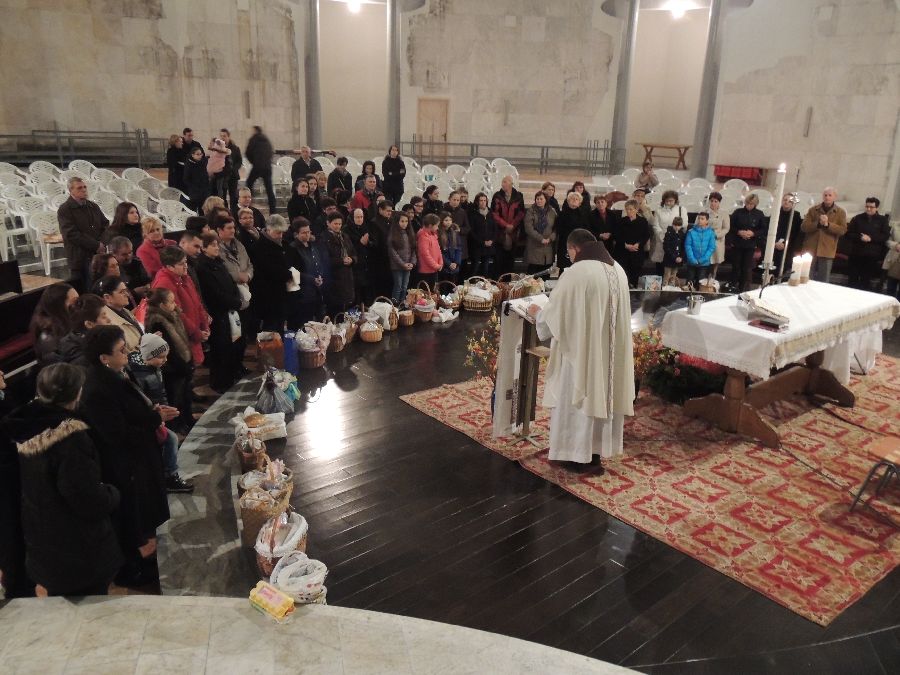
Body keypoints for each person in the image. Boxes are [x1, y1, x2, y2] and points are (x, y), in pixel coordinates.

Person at [4, 363, 123, 596]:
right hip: (78, 548)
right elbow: (85, 497)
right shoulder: (70, 440)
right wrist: (111, 494)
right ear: (77, 392)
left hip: (43, 540)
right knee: (92, 606)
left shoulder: (27, 425)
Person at [527, 229, 634, 471]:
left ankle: (576, 454)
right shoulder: (619, 270)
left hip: (582, 354)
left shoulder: (576, 273)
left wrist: (538, 314)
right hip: (608, 356)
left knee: (579, 398)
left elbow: (557, 315)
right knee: (603, 394)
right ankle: (596, 452)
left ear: (574, 249)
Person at [79, 325, 177, 586]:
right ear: (104, 358)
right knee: (130, 517)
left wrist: (153, 411)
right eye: (121, 350)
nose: (128, 352)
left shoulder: (117, 372)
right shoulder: (97, 388)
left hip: (140, 458)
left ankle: (141, 561)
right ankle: (130, 572)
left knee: (143, 513)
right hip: (125, 465)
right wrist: (155, 418)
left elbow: (133, 408)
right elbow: (116, 434)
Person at [129, 334, 194, 494]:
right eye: (161, 357)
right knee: (170, 439)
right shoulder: (138, 375)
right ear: (148, 356)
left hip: (159, 412)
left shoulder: (153, 368)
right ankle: (170, 476)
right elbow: (142, 400)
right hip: (151, 416)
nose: (165, 360)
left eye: (166, 356)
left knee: (168, 441)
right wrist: (156, 412)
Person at [196, 233, 244, 393]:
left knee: (232, 345)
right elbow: (213, 293)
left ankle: (231, 376)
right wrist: (233, 302)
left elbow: (230, 283)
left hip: (229, 310)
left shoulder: (219, 262)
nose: (217, 248)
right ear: (203, 248)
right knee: (220, 349)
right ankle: (220, 382)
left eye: (217, 245)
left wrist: (236, 298)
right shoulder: (203, 268)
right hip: (217, 313)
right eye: (213, 245)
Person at [144, 289, 194, 435]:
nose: (175, 304)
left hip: (182, 363)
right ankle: (178, 425)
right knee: (175, 398)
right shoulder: (157, 321)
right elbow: (168, 348)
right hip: (172, 368)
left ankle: (188, 419)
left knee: (185, 394)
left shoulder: (172, 315)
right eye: (171, 302)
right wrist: (182, 366)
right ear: (162, 305)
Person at [151, 247, 209, 365]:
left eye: (186, 262)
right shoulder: (164, 283)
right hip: (181, 339)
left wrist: (205, 325)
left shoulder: (184, 277)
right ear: (169, 266)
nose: (186, 266)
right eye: (181, 264)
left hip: (193, 334)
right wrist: (197, 333)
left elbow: (197, 303)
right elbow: (177, 314)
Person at [57, 177, 109, 292]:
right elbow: (71, 234)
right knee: (84, 291)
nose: (84, 190)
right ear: (71, 190)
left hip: (97, 256)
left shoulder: (93, 206)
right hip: (79, 258)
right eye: (79, 188)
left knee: (99, 289)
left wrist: (102, 243)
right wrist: (96, 245)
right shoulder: (65, 209)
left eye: (85, 187)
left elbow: (105, 225)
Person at [249, 214, 292, 332]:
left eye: (282, 233)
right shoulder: (259, 248)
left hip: (280, 294)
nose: (280, 236)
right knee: (270, 331)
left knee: (279, 328)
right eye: (278, 233)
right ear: (268, 230)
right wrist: (289, 274)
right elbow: (271, 270)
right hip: (268, 296)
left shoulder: (281, 244)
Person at [800, 187, 847, 283]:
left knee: (823, 279)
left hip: (827, 249)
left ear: (835, 197)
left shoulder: (840, 212)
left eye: (830, 195)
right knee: (806, 276)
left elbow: (842, 230)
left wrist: (828, 225)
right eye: (825, 195)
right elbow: (804, 227)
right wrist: (818, 224)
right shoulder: (813, 210)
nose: (827, 197)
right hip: (810, 248)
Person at [285, 218, 325, 328]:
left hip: (316, 291)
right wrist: (311, 279)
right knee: (304, 324)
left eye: (308, 232)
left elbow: (319, 262)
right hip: (301, 294)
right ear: (296, 234)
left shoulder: (312, 245)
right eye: (304, 233)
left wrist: (320, 276)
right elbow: (292, 271)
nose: (307, 235)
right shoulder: (292, 248)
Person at [845, 197, 889, 291]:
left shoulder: (883, 220)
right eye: (867, 206)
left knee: (865, 280)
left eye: (871, 207)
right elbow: (849, 233)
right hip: (856, 253)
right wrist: (860, 237)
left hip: (872, 255)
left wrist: (871, 238)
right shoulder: (858, 218)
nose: (868, 209)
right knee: (852, 279)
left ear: (877, 208)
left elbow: (885, 236)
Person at [30, 283, 78, 367]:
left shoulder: (69, 323)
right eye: (75, 301)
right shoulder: (49, 339)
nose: (79, 305)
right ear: (60, 306)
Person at [54, 294, 110, 366]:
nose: (109, 320)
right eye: (103, 317)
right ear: (89, 324)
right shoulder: (84, 359)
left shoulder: (91, 339)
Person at [728, 193, 766, 292]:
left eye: (751, 204)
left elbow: (763, 229)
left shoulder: (759, 214)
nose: (749, 205)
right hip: (737, 243)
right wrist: (739, 232)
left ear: (755, 204)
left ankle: (742, 288)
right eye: (748, 203)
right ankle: (732, 285)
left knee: (746, 268)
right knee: (736, 266)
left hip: (750, 245)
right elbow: (730, 226)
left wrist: (753, 233)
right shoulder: (738, 212)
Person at [96, 276, 143, 354]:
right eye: (122, 292)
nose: (127, 294)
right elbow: (123, 354)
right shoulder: (108, 323)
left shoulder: (124, 311)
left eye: (126, 291)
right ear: (107, 297)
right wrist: (146, 344)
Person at [322, 212, 357, 315]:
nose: (338, 226)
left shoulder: (345, 236)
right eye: (335, 224)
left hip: (347, 276)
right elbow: (325, 260)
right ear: (328, 223)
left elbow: (353, 252)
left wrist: (352, 259)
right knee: (335, 310)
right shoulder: (324, 238)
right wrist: (341, 261)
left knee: (346, 309)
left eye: (340, 224)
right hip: (333, 278)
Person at [491, 176, 526, 276]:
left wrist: (512, 225)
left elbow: (521, 213)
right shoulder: (497, 196)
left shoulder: (518, 196)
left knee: (510, 260)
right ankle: (497, 281)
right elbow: (494, 214)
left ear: (511, 183)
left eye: (505, 182)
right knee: (498, 260)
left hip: (513, 233)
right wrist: (505, 225)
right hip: (500, 232)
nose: (502, 184)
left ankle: (508, 281)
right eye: (502, 182)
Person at [614, 199, 651, 287]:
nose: (628, 211)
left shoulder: (643, 221)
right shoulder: (621, 221)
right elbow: (616, 235)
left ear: (636, 210)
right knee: (623, 273)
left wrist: (638, 244)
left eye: (630, 209)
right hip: (622, 251)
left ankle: (634, 288)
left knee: (635, 274)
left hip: (637, 251)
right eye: (627, 209)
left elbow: (646, 235)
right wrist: (625, 245)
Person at [651, 190, 687, 276]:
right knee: (660, 265)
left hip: (675, 241)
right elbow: (656, 225)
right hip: (661, 239)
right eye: (667, 201)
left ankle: (670, 283)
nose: (668, 203)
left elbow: (684, 224)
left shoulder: (681, 209)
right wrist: (663, 237)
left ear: (675, 200)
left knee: (672, 267)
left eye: (671, 201)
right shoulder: (659, 210)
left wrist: (674, 235)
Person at [345, 207, 374, 307]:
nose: (360, 219)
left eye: (361, 217)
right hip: (355, 264)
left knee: (367, 289)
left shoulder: (366, 227)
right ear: (352, 218)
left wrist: (368, 243)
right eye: (357, 217)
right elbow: (348, 248)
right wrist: (360, 243)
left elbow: (372, 242)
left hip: (366, 263)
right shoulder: (346, 230)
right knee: (357, 289)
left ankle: (366, 308)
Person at [244, 125, 277, 214]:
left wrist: (253, 162)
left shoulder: (253, 139)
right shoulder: (266, 140)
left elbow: (247, 152)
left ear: (255, 131)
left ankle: (248, 205)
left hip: (257, 166)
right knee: (269, 189)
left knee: (249, 184)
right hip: (267, 167)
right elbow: (271, 152)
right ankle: (273, 211)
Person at [387, 211, 417, 306]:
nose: (404, 224)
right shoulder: (393, 235)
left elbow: (414, 250)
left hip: (408, 266)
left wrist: (412, 263)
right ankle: (395, 306)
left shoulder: (410, 234)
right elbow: (393, 253)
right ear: (397, 222)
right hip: (397, 266)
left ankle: (402, 304)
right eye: (402, 221)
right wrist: (403, 264)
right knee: (398, 286)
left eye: (406, 221)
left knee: (404, 287)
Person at [554, 191, 590, 271]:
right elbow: (558, 229)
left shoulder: (583, 215)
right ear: (568, 201)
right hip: (565, 244)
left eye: (576, 199)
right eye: (572, 199)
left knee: (578, 268)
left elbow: (586, 229)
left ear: (579, 203)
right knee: (564, 268)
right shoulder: (562, 214)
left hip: (578, 244)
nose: (574, 200)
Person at [523, 191, 556, 275]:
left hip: (547, 246)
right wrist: (541, 239)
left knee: (545, 273)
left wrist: (551, 238)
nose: (539, 201)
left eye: (541, 199)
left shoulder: (552, 211)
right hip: (534, 244)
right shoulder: (531, 211)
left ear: (546, 200)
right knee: (533, 274)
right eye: (537, 199)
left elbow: (556, 228)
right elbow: (528, 228)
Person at [772, 193, 802, 275]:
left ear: (793, 203)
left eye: (790, 201)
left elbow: (795, 233)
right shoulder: (776, 213)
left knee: (783, 270)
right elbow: (770, 230)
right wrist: (775, 242)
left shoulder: (796, 215)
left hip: (788, 247)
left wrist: (785, 244)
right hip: (774, 245)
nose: (787, 202)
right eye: (785, 200)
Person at [684, 213, 717, 287]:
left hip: (704, 263)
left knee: (701, 282)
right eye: (698, 218)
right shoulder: (691, 232)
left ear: (707, 221)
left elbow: (711, 247)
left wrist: (702, 259)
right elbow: (688, 246)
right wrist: (692, 259)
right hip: (692, 262)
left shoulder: (711, 233)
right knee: (689, 281)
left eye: (702, 219)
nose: (699, 220)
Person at [706, 192, 730, 280]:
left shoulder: (724, 213)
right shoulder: (704, 212)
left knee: (715, 261)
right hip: (705, 240)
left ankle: (712, 279)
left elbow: (726, 228)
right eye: (711, 201)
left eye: (716, 201)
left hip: (717, 240)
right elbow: (697, 224)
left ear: (719, 202)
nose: (713, 203)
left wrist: (717, 235)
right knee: (705, 261)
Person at [446, 191, 471, 275]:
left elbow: (468, 228)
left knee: (462, 271)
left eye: (458, 200)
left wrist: (460, 230)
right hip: (447, 244)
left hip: (460, 243)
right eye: (454, 200)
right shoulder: (443, 210)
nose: (456, 202)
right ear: (449, 199)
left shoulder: (462, 212)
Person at [417, 213, 443, 288]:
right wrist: (436, 266)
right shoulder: (423, 236)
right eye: (436, 226)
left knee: (434, 290)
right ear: (430, 226)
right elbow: (425, 254)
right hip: (426, 271)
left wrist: (440, 263)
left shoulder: (433, 235)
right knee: (427, 291)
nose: (437, 228)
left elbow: (438, 251)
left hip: (434, 269)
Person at [182, 145, 210, 212]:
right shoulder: (189, 164)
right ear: (192, 155)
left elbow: (206, 175)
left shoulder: (203, 162)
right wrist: (194, 187)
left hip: (204, 190)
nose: (200, 156)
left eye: (201, 154)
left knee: (203, 209)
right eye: (197, 154)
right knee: (193, 210)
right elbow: (186, 179)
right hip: (194, 191)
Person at [219, 128, 243, 210]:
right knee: (222, 197)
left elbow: (239, 161)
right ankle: (225, 212)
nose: (222, 138)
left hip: (233, 175)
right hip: (222, 176)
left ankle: (234, 212)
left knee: (233, 196)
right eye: (221, 136)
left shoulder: (235, 148)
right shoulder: (218, 148)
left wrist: (234, 169)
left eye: (224, 136)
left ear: (228, 137)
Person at [661, 216, 687, 287]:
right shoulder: (668, 233)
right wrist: (674, 257)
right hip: (669, 259)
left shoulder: (682, 234)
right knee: (667, 275)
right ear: (672, 224)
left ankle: (671, 289)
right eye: (675, 225)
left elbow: (683, 247)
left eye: (679, 225)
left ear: (681, 226)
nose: (677, 227)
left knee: (674, 276)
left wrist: (681, 257)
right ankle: (665, 289)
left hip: (678, 260)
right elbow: (666, 247)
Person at [438, 211, 462, 283]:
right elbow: (439, 251)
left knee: (453, 285)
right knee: (444, 285)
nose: (449, 222)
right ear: (441, 221)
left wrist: (456, 262)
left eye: (450, 220)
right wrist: (449, 263)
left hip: (455, 265)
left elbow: (458, 248)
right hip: (444, 266)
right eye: (446, 220)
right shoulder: (439, 233)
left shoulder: (454, 232)